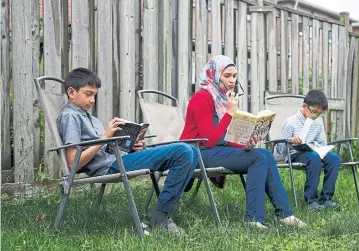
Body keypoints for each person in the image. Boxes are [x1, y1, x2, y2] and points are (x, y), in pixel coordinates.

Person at [57, 67, 197, 235]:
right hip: (111, 166)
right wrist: (105, 137)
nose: (93, 100)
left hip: (118, 159)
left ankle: (163, 211)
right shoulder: (70, 116)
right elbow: (73, 162)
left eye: (94, 95)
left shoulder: (91, 119)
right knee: (182, 150)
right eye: (88, 94)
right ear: (71, 92)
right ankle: (160, 217)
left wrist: (131, 146)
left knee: (193, 151)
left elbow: (106, 148)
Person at [179, 55, 306, 229]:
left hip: (215, 151)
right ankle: (254, 219)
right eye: (227, 76)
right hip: (197, 153)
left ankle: (286, 215)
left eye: (234, 76)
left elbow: (225, 137)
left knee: (265, 154)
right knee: (257, 158)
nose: (232, 81)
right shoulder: (202, 98)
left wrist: (244, 145)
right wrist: (231, 113)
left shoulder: (222, 100)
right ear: (214, 75)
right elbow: (209, 141)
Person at [276, 90, 341, 211]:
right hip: (294, 154)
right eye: (314, 112)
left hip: (312, 151)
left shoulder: (317, 122)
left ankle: (326, 199)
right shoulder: (291, 122)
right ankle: (311, 201)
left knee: (334, 159)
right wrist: (290, 141)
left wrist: (314, 145)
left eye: (319, 114)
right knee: (313, 157)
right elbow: (280, 148)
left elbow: (322, 144)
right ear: (304, 106)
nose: (316, 116)